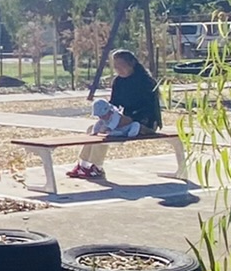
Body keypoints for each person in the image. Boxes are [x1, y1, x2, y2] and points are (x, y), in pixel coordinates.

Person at [67, 49, 163, 179]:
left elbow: (149, 109)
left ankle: (97, 167)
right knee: (93, 129)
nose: (118, 69)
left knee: (105, 134)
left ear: (131, 64)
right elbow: (114, 104)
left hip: (145, 122)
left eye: (121, 65)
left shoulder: (146, 82)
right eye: (115, 66)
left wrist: (129, 119)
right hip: (125, 119)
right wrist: (107, 115)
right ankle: (83, 164)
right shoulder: (118, 82)